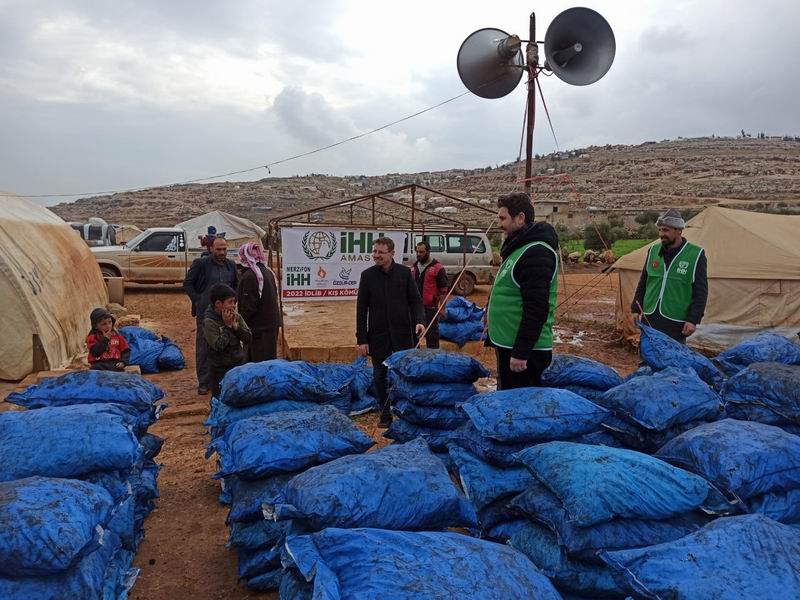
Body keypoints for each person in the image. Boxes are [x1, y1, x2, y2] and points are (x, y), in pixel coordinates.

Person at [486, 192, 559, 390]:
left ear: (520, 218)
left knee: (521, 410)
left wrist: (521, 352)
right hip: (509, 345)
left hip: (525, 354)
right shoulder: (518, 249)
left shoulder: (537, 253)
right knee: (508, 403)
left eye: (503, 218)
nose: (499, 224)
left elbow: (536, 308)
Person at [356, 236, 426, 427]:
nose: (376, 255)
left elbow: (416, 301)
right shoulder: (367, 276)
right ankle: (385, 413)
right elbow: (361, 309)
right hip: (378, 336)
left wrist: (420, 321)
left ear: (392, 254)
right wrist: (362, 339)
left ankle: (407, 411)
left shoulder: (405, 274)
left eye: (380, 252)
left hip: (403, 335)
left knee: (405, 375)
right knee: (379, 376)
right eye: (375, 251)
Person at [631, 209, 708, 344]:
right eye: (660, 230)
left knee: (673, 358)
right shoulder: (653, 251)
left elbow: (701, 292)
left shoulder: (695, 254)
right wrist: (635, 309)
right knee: (648, 354)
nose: (661, 234)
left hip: (675, 319)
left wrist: (693, 320)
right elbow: (644, 282)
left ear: (679, 230)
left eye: (666, 230)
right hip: (650, 315)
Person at [183, 236, 238, 395]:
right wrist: (199, 300)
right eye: (218, 249)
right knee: (204, 346)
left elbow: (235, 286)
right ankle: (204, 382)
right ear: (211, 249)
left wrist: (232, 305)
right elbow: (187, 283)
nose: (222, 252)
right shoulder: (201, 264)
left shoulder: (231, 266)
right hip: (206, 313)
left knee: (227, 343)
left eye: (224, 249)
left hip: (226, 313)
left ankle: (224, 379)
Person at [203, 283, 252, 398]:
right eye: (230, 302)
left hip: (238, 365)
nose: (234, 306)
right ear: (218, 304)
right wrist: (227, 327)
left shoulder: (236, 317)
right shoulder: (209, 322)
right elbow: (218, 346)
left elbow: (248, 338)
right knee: (221, 400)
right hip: (219, 370)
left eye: (234, 302)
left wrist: (236, 328)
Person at [237, 241, 281, 362]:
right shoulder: (268, 272)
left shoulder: (251, 276)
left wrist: (240, 327)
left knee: (257, 365)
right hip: (270, 327)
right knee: (268, 362)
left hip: (258, 330)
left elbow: (248, 308)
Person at [411, 240, 449, 349]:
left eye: (421, 252)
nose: (418, 254)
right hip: (415, 308)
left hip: (430, 308)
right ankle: (415, 358)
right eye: (417, 251)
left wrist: (442, 308)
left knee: (432, 335)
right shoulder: (413, 267)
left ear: (428, 251)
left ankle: (433, 358)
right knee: (414, 334)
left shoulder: (437, 268)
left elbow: (443, 290)